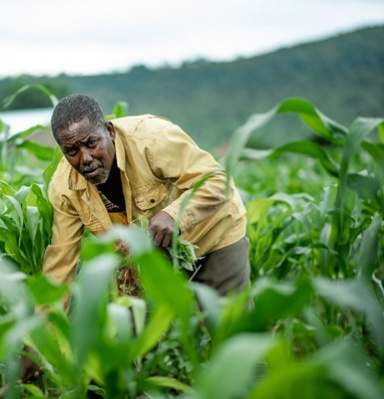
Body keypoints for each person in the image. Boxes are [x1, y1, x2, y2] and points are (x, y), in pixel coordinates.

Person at [42, 94, 250, 297]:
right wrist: (46, 329)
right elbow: (60, 265)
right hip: (156, 261)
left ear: (109, 131)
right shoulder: (65, 189)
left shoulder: (152, 140)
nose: (85, 158)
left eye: (91, 143)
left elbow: (219, 182)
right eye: (71, 151)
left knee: (226, 325)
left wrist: (174, 214)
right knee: (138, 328)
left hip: (213, 236)